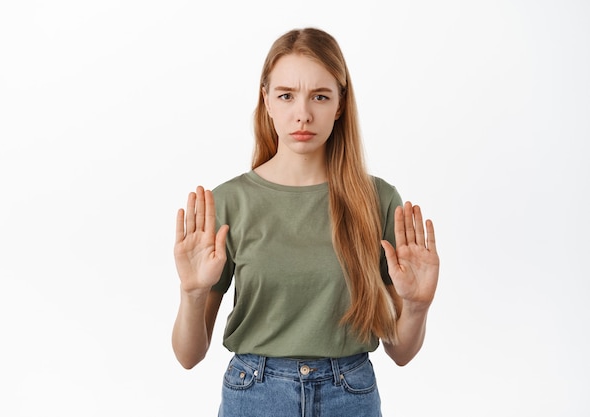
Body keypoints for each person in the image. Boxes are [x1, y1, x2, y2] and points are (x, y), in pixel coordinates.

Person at [172, 27, 439, 417]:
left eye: (319, 96)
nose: (303, 113)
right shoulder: (228, 203)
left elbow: (400, 353)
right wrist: (192, 293)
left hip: (350, 394)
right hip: (255, 394)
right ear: (266, 101)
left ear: (340, 104)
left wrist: (417, 307)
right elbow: (188, 356)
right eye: (286, 95)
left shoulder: (378, 201)